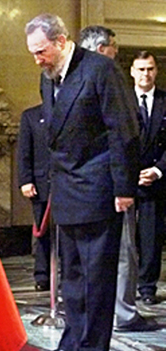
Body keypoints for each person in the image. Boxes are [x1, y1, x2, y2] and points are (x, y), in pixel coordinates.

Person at [25, 14, 140, 351]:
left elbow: (123, 131)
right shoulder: (48, 78)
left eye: (41, 51)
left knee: (96, 277)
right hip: (66, 192)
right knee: (72, 278)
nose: (37, 60)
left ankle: (93, 350)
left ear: (61, 42)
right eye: (32, 53)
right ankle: (71, 342)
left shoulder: (100, 71)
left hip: (97, 189)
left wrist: (124, 188)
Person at [79, 26, 158, 332]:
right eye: (114, 47)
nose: (116, 52)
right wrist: (125, 185)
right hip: (110, 183)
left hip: (83, 186)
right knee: (123, 253)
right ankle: (124, 314)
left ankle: (94, 313)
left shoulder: (70, 79)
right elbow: (122, 136)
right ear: (102, 50)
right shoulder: (110, 80)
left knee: (89, 256)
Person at [130, 50, 166, 306]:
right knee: (124, 239)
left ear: (157, 71)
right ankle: (125, 285)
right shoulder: (120, 100)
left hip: (157, 179)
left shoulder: (165, 101)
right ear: (132, 71)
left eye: (150, 68)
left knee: (151, 237)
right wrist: (131, 173)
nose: (146, 74)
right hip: (127, 180)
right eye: (141, 69)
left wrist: (157, 170)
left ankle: (147, 287)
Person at [16, 104, 51, 291]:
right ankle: (42, 275)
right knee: (42, 232)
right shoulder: (30, 116)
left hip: (68, 184)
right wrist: (25, 180)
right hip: (40, 183)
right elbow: (24, 152)